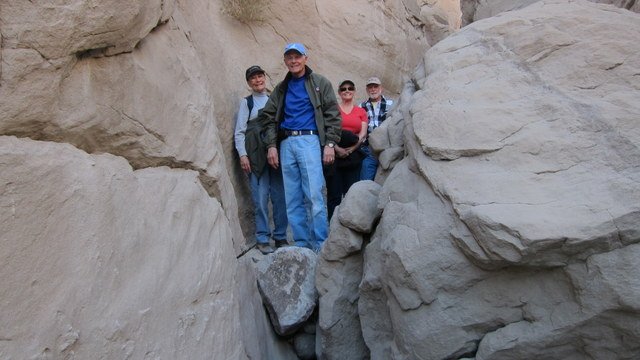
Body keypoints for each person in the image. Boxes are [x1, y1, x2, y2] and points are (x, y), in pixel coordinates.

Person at [261, 42, 341, 252]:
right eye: (289, 57)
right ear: (285, 61)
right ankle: (302, 245)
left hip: (310, 141)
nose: (294, 61)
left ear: (305, 58)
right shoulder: (281, 88)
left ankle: (320, 244)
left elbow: (333, 114)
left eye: (297, 56)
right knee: (293, 199)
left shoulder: (320, 83)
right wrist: (271, 145)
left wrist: (330, 144)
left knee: (314, 195)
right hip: (286, 144)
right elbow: (267, 117)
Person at [234, 65, 288, 254]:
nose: (258, 80)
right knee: (260, 197)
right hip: (255, 157)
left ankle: (280, 236)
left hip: (276, 155)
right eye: (253, 78)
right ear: (249, 83)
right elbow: (240, 132)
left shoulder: (274, 99)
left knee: (280, 198)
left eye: (260, 76)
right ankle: (262, 238)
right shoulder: (246, 103)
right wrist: (243, 155)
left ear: (265, 78)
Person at [325, 79, 368, 219]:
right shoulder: (334, 110)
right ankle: (332, 225)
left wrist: (350, 150)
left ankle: (349, 227)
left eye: (350, 88)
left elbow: (362, 134)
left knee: (351, 192)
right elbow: (328, 130)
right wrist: (336, 148)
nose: (347, 91)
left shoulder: (361, 111)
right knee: (333, 193)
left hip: (353, 155)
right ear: (339, 92)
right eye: (343, 89)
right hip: (334, 154)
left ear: (354, 91)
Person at [359, 76, 394, 181]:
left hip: (387, 147)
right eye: (370, 87)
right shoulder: (361, 106)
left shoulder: (391, 104)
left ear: (381, 88)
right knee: (366, 176)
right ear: (366, 90)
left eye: (375, 86)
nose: (373, 89)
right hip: (369, 148)